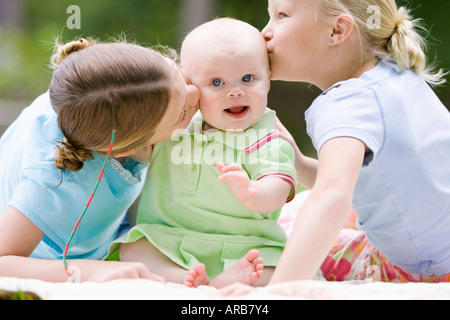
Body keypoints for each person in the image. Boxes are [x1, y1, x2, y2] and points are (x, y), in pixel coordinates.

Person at [258, 0, 450, 285]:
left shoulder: (346, 104)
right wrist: (298, 164)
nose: (264, 33)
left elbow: (333, 197)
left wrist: (279, 290)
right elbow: (374, 183)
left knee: (274, 235)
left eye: (281, 16)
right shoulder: (393, 72)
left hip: (427, 272)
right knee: (304, 205)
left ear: (336, 30)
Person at [109, 18, 298, 289]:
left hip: (247, 246)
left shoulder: (267, 137)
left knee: (285, 269)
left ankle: (217, 281)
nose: (235, 91)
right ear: (191, 87)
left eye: (248, 79)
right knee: (133, 249)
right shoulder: (176, 123)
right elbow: (139, 148)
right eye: (217, 82)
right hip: (171, 239)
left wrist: (253, 191)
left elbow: (279, 185)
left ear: (267, 80)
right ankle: (190, 281)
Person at [0, 38, 200, 282]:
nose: (195, 93)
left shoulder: (98, 88)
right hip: (61, 254)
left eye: (177, 70)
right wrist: (89, 270)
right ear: (127, 148)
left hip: (105, 226)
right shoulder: (52, 183)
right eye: (182, 114)